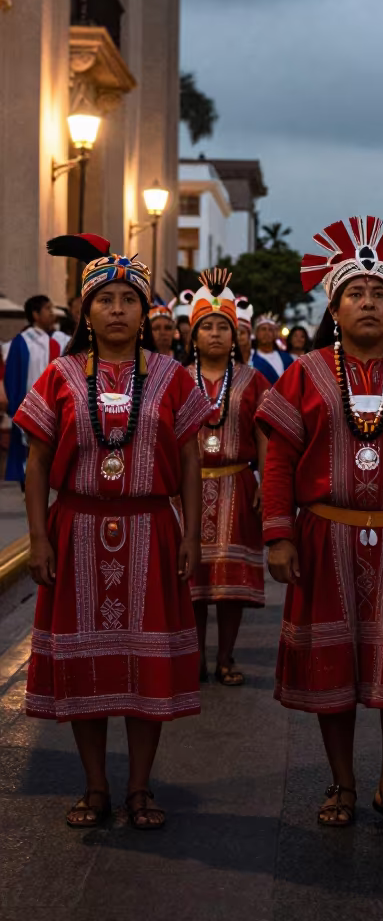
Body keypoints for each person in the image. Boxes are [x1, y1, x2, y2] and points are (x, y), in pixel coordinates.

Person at [258, 216, 383, 829]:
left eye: (379, 293)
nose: (368, 302)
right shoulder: (305, 371)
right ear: (335, 307)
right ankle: (342, 783)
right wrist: (277, 534)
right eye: (355, 293)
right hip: (325, 537)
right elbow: (279, 461)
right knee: (335, 666)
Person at [15, 233, 211, 830]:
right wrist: (39, 539)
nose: (118, 309)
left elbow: (190, 463)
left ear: (145, 309)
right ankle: (95, 787)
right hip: (75, 528)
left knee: (143, 663)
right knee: (87, 662)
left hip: (151, 528)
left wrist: (193, 536)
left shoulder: (174, 377)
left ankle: (140, 788)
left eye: (129, 298)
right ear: (87, 311)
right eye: (106, 300)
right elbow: (38, 464)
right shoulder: (60, 375)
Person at [186, 270, 270, 685]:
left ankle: (226, 657)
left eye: (225, 327)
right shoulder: (175, 379)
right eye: (208, 327)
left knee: (230, 585)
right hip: (188, 489)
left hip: (238, 482)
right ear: (194, 335)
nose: (217, 334)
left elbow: (265, 434)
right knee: (193, 580)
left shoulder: (254, 381)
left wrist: (269, 484)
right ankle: (195, 657)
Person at [4, 294, 64, 483]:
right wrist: (15, 409)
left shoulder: (58, 341)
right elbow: (12, 379)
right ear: (35, 314)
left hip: (53, 408)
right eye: (47, 309)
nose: (51, 313)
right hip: (28, 408)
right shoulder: (22, 342)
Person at [253, 313, 293, 380]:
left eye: (270, 330)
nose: (267, 333)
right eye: (263, 329)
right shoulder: (251, 359)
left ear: (275, 334)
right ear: (256, 333)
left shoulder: (287, 358)